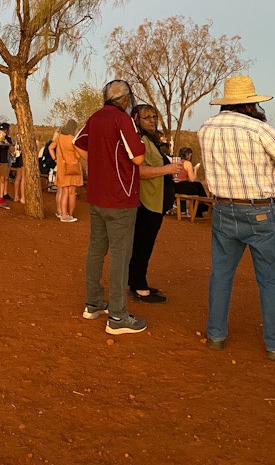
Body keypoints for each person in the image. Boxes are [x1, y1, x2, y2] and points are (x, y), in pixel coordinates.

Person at [198, 75, 275, 360]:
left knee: (221, 275)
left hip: (223, 209)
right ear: (251, 104)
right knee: (270, 279)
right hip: (259, 212)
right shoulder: (259, 129)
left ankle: (216, 334)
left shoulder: (206, 128)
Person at [74, 80, 147, 335]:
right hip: (121, 198)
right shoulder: (122, 120)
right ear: (125, 99)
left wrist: (99, 163)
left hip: (97, 195)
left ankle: (93, 303)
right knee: (120, 255)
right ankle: (117, 316)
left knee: (96, 249)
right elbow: (138, 157)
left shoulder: (95, 118)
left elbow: (78, 144)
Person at [128, 105, 181, 303]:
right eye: (146, 117)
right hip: (147, 202)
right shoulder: (140, 140)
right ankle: (139, 287)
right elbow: (139, 171)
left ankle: (137, 281)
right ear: (136, 119)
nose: (152, 120)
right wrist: (167, 169)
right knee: (142, 245)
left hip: (154, 201)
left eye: (154, 117)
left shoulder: (151, 140)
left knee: (143, 244)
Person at [48, 119, 83, 222]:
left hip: (62, 167)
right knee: (72, 193)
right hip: (73, 168)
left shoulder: (60, 137)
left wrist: (55, 159)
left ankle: (63, 214)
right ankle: (70, 215)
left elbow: (50, 147)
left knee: (64, 192)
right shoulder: (74, 140)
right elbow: (77, 155)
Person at [175, 146, 208, 217]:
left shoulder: (176, 161)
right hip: (182, 186)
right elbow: (192, 179)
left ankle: (201, 208)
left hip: (175, 186)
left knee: (198, 185)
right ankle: (203, 207)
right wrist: (195, 169)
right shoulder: (187, 163)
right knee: (198, 188)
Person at [10, 137, 25, 203]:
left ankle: (16, 196)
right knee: (23, 178)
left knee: (18, 177)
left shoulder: (17, 137)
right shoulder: (24, 137)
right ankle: (23, 197)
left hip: (18, 156)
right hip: (22, 157)